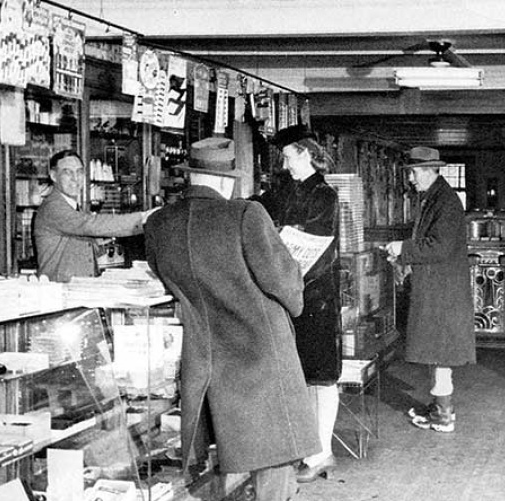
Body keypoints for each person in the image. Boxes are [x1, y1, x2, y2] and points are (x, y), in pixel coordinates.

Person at [143, 159, 320, 501]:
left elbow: (162, 274)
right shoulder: (245, 215)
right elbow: (283, 282)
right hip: (261, 353)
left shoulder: (159, 223)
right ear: (224, 182)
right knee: (275, 455)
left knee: (221, 456)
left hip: (205, 356)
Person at [253, 124, 341, 483]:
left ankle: (322, 453)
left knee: (321, 376)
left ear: (304, 153)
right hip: (287, 296)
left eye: (289, 156)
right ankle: (306, 449)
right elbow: (256, 215)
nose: (285, 163)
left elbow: (318, 248)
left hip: (316, 298)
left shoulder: (325, 196)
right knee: (299, 376)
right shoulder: (279, 191)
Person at [384, 146, 475, 433]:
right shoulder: (435, 197)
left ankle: (443, 415)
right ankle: (440, 407)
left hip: (442, 291)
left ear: (428, 170)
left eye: (413, 172)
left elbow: (440, 245)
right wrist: (403, 255)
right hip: (437, 287)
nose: (411, 178)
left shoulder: (445, 201)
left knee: (441, 352)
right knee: (438, 352)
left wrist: (404, 249)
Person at [33, 149, 153, 283]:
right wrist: (143, 218)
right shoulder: (53, 207)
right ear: (54, 176)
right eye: (67, 172)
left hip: (80, 291)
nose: (75, 178)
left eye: (79, 172)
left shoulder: (74, 207)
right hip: (60, 293)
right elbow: (90, 225)